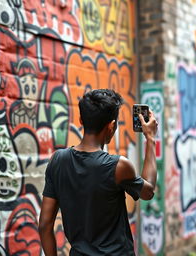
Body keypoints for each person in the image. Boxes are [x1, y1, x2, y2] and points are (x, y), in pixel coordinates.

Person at [39, 89, 158, 256]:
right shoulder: (118, 166)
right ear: (111, 126)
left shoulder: (57, 160)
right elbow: (148, 192)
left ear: (81, 120)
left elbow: (44, 225)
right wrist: (151, 139)